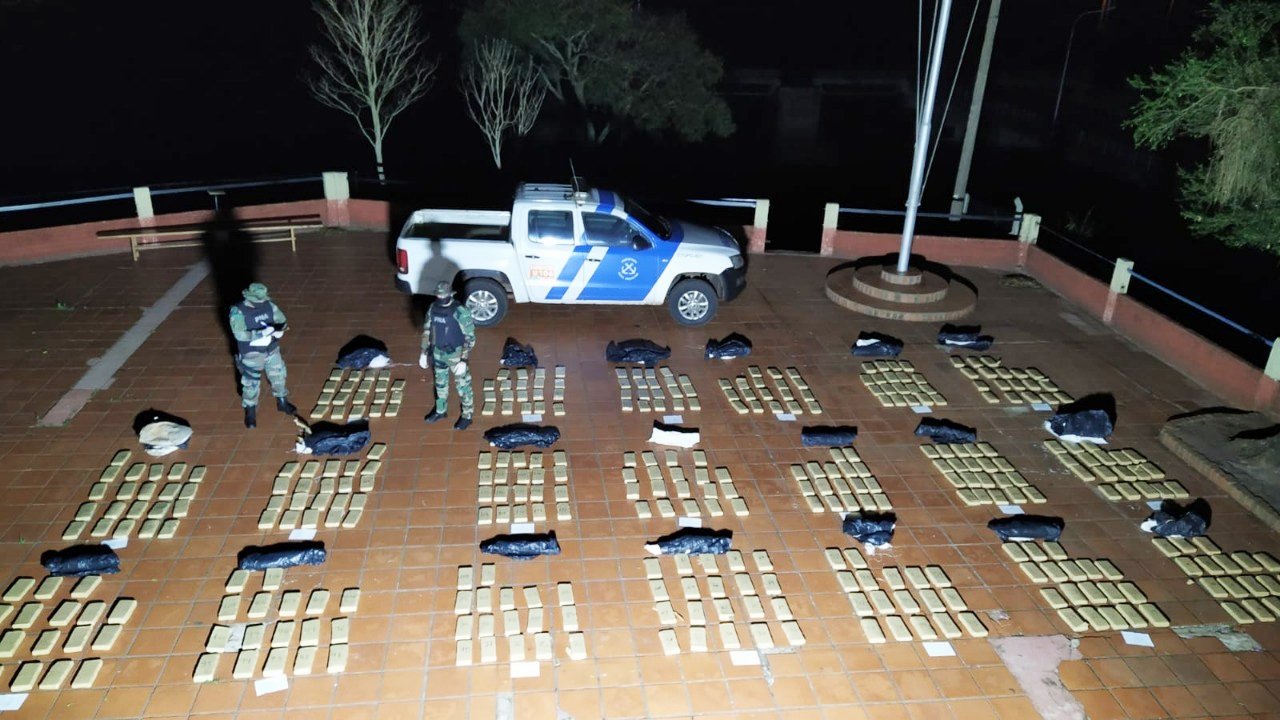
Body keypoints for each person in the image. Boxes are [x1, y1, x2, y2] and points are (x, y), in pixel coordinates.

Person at [229, 282, 296, 428]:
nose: (261, 302)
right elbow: (239, 334)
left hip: (271, 348)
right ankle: (250, 410)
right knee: (251, 383)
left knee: (278, 374)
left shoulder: (269, 305)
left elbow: (282, 320)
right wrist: (260, 333)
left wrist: (280, 330)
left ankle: (282, 401)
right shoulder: (238, 311)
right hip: (252, 353)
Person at [421, 281, 476, 430]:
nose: (440, 298)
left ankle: (467, 415)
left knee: (463, 386)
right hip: (437, 353)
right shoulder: (433, 308)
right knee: (440, 385)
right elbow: (427, 330)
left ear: (450, 295)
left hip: (456, 355)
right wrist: (423, 352)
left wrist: (463, 359)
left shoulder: (459, 311)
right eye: (438, 295)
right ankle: (440, 410)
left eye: (443, 295)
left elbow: (470, 337)